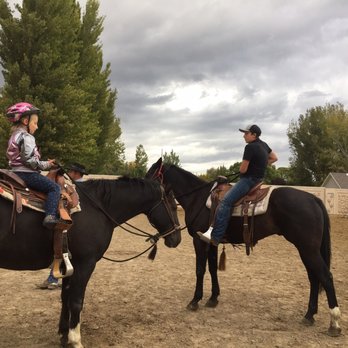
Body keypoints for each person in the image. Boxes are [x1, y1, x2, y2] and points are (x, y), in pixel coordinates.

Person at [197, 124, 278, 246]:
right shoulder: (264, 145)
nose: (244, 136)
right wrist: (260, 164)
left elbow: (243, 170)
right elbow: (274, 157)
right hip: (258, 180)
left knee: (226, 202)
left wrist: (249, 166)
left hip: (248, 181)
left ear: (254, 135)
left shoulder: (250, 147)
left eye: (246, 133)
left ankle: (215, 237)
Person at [6, 102, 61, 229]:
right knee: (54, 188)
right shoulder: (27, 137)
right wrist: (47, 164)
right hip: (27, 173)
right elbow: (29, 161)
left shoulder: (14, 136)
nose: (36, 127)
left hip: (15, 172)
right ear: (26, 121)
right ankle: (50, 216)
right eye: (35, 123)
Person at [39, 162, 88, 289]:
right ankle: (54, 278)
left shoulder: (77, 187)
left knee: (62, 243)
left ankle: (53, 278)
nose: (69, 174)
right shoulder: (77, 186)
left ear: (76, 174)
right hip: (75, 218)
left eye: (71, 171)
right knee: (63, 245)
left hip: (73, 219)